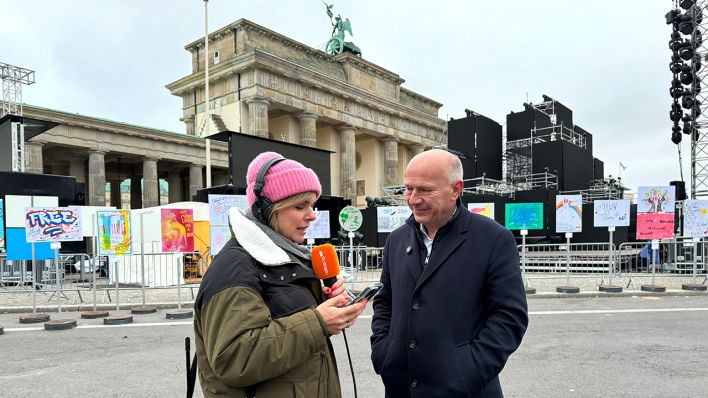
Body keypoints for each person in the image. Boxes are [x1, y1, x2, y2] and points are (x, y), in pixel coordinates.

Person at [194, 151, 367, 398]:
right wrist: (318, 322)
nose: (312, 215)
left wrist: (329, 309)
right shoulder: (235, 267)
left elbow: (288, 328)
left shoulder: (286, 257)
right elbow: (234, 358)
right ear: (267, 209)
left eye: (312, 205)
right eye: (300, 206)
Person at [370, 149, 529, 397]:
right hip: (401, 388)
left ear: (456, 189)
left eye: (424, 190)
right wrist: (383, 352)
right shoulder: (397, 240)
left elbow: (509, 316)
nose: (413, 199)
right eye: (408, 188)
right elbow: (385, 301)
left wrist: (471, 369)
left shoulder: (494, 239)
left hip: (466, 390)